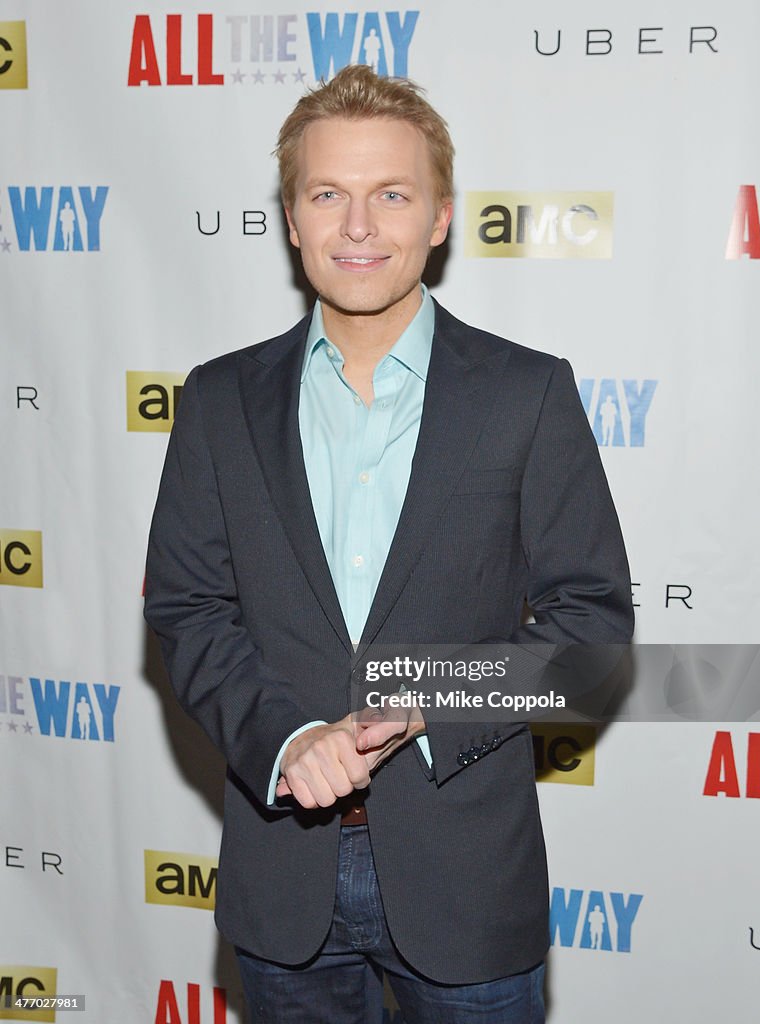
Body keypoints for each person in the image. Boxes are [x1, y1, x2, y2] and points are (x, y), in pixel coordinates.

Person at [144, 64, 633, 1024]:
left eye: (391, 194)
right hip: (281, 880)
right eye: (328, 194)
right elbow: (187, 610)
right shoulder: (216, 400)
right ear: (292, 219)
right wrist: (285, 739)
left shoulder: (524, 393)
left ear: (441, 217)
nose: (358, 226)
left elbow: (592, 631)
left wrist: (423, 704)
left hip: (467, 878)